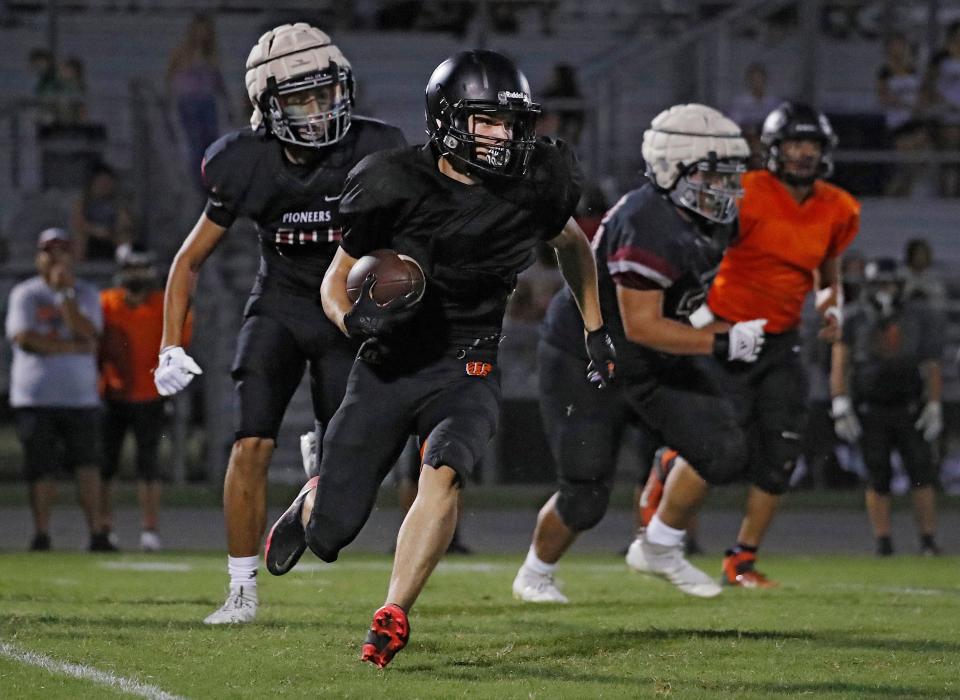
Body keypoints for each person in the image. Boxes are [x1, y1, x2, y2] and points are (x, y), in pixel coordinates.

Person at [264, 49, 613, 668]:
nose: (504, 135)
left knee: (446, 466)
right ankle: (318, 493)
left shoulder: (537, 182)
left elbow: (573, 244)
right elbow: (333, 281)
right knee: (331, 535)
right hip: (389, 364)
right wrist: (354, 319)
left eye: (511, 123)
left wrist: (595, 326)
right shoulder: (391, 182)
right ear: (448, 119)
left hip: (469, 362)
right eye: (487, 121)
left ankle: (394, 611)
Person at [154, 23, 407, 625]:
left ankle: (322, 471)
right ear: (266, 106)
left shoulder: (377, 148)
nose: (319, 110)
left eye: (326, 93)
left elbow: (414, 239)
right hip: (279, 309)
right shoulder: (244, 162)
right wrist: (169, 344)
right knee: (250, 443)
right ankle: (240, 590)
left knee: (347, 485)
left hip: (344, 314)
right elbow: (189, 258)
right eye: (301, 98)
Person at [511, 103, 756, 603]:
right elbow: (642, 325)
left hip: (648, 355)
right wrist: (722, 339)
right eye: (710, 173)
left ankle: (660, 546)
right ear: (672, 169)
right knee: (585, 495)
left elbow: (680, 293)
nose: (723, 186)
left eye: (727, 174)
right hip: (588, 355)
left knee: (722, 449)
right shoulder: (648, 221)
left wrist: (705, 319)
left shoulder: (709, 218)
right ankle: (535, 573)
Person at [639, 102, 860, 588]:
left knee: (781, 454)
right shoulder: (746, 194)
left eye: (813, 144)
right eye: (796, 143)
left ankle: (741, 558)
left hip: (781, 342)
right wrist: (698, 319)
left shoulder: (838, 207)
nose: (804, 153)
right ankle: (670, 474)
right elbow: (694, 251)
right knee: (720, 445)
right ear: (775, 149)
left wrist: (830, 305)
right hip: (726, 333)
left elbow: (827, 268)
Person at [5, 228, 114, 552]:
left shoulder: (85, 293)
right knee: (41, 470)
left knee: (87, 466)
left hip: (79, 397)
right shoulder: (25, 293)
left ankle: (96, 533)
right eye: (48, 251)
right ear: (39, 256)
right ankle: (41, 534)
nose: (55, 257)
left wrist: (65, 296)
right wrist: (71, 346)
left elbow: (91, 334)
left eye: (61, 250)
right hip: (34, 397)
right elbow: (25, 339)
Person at [831, 258, 944, 556]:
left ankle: (928, 540)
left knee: (921, 473)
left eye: (890, 284)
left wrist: (933, 404)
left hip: (909, 407)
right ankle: (883, 542)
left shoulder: (917, 316)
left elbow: (931, 363)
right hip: (871, 408)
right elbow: (840, 362)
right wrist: (840, 402)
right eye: (880, 284)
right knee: (877, 476)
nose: (886, 290)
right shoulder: (855, 317)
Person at [99, 250, 190, 551]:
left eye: (141, 269)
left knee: (148, 466)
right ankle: (103, 527)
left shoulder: (164, 304)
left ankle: (150, 529)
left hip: (151, 395)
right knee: (106, 465)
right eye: (131, 269)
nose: (136, 276)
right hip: (112, 393)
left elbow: (181, 342)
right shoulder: (106, 303)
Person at [165, 12, 234, 191]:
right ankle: (198, 184)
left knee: (210, 144)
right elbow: (169, 78)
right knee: (195, 145)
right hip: (189, 104)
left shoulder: (212, 55)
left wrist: (227, 106)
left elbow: (219, 83)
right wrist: (168, 102)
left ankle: (209, 180)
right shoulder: (182, 53)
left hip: (207, 103)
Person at [877, 33, 929, 196]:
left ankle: (907, 193)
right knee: (906, 163)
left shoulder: (912, 69)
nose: (898, 49)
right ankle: (891, 194)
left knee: (917, 161)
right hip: (898, 121)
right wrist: (903, 104)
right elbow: (883, 96)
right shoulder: (885, 72)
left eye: (901, 45)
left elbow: (920, 91)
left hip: (914, 117)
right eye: (894, 45)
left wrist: (920, 104)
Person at [70, 162, 135, 262]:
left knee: (124, 237)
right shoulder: (84, 201)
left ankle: (125, 264)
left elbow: (125, 223)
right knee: (79, 237)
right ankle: (79, 266)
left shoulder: (117, 202)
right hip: (91, 236)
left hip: (111, 236)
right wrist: (96, 231)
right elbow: (78, 222)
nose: (104, 186)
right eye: (100, 182)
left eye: (107, 182)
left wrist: (113, 231)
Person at [902, 238, 947, 311]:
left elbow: (941, 302)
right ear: (910, 255)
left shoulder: (935, 276)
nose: (920, 258)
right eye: (917, 254)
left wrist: (926, 295)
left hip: (930, 315)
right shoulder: (900, 274)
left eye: (923, 254)